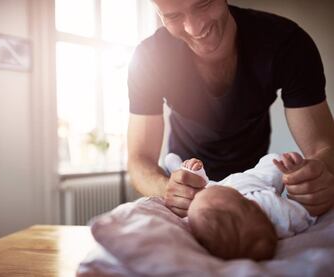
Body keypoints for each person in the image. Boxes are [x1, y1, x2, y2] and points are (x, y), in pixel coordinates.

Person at [127, 0, 334, 218]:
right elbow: (140, 160)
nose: (194, 29)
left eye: (203, 4)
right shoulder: (148, 58)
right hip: (184, 187)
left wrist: (319, 175)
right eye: (173, 17)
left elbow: (324, 146)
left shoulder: (288, 43)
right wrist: (168, 189)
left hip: (254, 185)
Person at [183, 152, 316, 261]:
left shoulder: (212, 200)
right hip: (254, 181)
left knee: (200, 185)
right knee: (274, 161)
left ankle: (182, 168)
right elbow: (304, 212)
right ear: (253, 204)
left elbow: (205, 186)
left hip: (227, 183)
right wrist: (294, 175)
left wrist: (197, 172)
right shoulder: (274, 210)